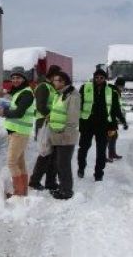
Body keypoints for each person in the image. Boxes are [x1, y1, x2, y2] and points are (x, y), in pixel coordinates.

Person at [77, 68, 121, 181]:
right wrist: (78, 121)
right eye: (97, 77)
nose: (99, 79)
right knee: (83, 148)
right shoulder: (85, 87)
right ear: (94, 77)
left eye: (101, 77)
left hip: (103, 125)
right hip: (87, 124)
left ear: (105, 78)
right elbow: (78, 105)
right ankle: (81, 168)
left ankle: (98, 174)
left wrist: (113, 126)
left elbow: (114, 109)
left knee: (101, 151)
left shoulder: (111, 90)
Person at [0, 67, 35, 197]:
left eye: (18, 78)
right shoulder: (18, 92)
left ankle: (18, 193)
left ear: (24, 78)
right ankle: (22, 192)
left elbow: (19, 113)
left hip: (19, 133)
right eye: (13, 78)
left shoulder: (26, 93)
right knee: (20, 162)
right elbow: (14, 108)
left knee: (11, 162)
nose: (15, 80)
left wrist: (4, 112)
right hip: (16, 132)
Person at [29, 65, 62, 191]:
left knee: (53, 154)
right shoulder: (43, 87)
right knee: (45, 153)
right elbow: (41, 106)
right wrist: (51, 116)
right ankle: (34, 180)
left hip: (51, 123)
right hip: (44, 123)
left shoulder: (52, 87)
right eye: (57, 76)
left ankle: (50, 181)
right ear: (53, 75)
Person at [48, 71, 80, 200]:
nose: (53, 82)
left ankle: (66, 191)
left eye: (55, 80)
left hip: (65, 136)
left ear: (63, 82)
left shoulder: (73, 96)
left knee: (64, 164)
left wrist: (66, 134)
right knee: (59, 163)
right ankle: (62, 188)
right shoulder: (60, 94)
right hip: (57, 135)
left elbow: (72, 118)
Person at [106, 78, 128, 162]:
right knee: (109, 137)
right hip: (108, 118)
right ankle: (108, 156)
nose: (122, 88)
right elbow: (116, 109)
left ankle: (112, 154)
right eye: (122, 86)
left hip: (111, 117)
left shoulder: (114, 91)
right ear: (119, 85)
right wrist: (123, 121)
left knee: (114, 136)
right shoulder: (114, 92)